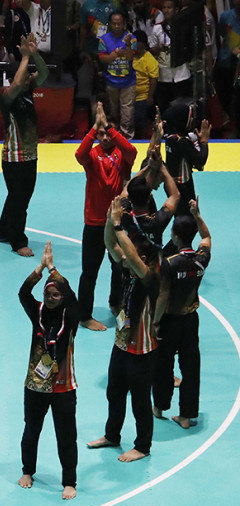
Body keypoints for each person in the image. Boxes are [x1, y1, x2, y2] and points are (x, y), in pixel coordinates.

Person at [87, 199, 162, 462]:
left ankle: (142, 446)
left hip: (141, 349)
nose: (125, 258)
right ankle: (112, 435)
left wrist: (120, 225)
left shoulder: (150, 277)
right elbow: (111, 244)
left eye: (132, 256)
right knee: (114, 392)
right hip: (121, 343)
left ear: (141, 258)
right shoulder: (127, 271)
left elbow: (128, 253)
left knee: (140, 400)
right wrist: (110, 219)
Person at [17, 242, 79, 500]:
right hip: (36, 384)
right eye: (47, 294)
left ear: (62, 297)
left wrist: (53, 268)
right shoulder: (37, 312)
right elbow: (23, 293)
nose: (50, 298)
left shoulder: (71, 315)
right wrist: (39, 269)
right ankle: (28, 471)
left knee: (66, 435)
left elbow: (74, 297)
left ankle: (69, 481)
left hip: (63, 385)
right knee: (31, 429)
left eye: (55, 295)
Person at [75, 102, 137, 331]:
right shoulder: (91, 156)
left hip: (116, 222)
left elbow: (133, 151)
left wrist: (109, 127)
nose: (104, 138)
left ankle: (115, 303)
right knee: (89, 272)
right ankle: (84, 315)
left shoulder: (122, 155)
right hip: (93, 223)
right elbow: (78, 154)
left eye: (107, 133)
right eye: (100, 134)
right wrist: (94, 128)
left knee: (120, 266)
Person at [152, 199, 210, 430]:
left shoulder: (169, 263)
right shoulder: (201, 259)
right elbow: (206, 238)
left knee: (163, 364)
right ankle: (186, 416)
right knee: (191, 365)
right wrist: (197, 215)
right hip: (190, 319)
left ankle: (159, 406)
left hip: (170, 320)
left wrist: (155, 322)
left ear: (174, 236)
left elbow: (163, 296)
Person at [0, 34, 49, 257]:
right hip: (15, 158)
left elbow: (45, 74)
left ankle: (4, 230)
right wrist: (25, 57)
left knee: (16, 196)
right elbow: (17, 82)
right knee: (20, 200)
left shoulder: (28, 92)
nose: (30, 79)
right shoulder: (6, 97)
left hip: (29, 156)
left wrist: (34, 54)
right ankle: (18, 241)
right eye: (27, 75)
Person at [162, 102, 210, 215]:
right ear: (182, 119)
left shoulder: (170, 137)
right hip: (182, 186)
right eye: (190, 117)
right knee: (189, 217)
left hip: (172, 184)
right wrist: (204, 140)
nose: (193, 120)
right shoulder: (182, 141)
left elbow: (187, 157)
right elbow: (200, 159)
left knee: (179, 216)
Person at [79, 0, 122, 95]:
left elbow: (122, 25)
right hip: (92, 50)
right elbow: (83, 27)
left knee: (112, 83)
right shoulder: (87, 5)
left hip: (111, 50)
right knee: (94, 84)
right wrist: (82, 49)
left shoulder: (115, 3)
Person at [149, 0, 193, 112]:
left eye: (169, 8)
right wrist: (159, 48)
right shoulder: (157, 28)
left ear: (176, 9)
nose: (166, 10)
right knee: (165, 106)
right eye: (164, 8)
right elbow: (152, 50)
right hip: (164, 74)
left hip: (181, 72)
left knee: (183, 106)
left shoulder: (184, 27)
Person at [99, 12, 138, 139]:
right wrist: (115, 55)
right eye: (114, 24)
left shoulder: (131, 38)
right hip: (111, 82)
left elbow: (131, 56)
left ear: (124, 24)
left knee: (127, 114)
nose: (116, 26)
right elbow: (102, 58)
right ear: (110, 24)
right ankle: (114, 138)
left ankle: (127, 140)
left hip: (128, 82)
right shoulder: (104, 39)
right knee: (114, 113)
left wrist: (127, 45)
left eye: (119, 24)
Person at [214, 0, 240, 126]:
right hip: (226, 62)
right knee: (224, 94)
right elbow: (222, 33)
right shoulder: (225, 16)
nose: (238, 1)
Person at [132, 31, 159, 135]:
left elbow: (153, 78)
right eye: (136, 48)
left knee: (140, 124)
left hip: (142, 98)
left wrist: (150, 96)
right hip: (128, 96)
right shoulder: (129, 55)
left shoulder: (149, 58)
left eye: (140, 48)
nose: (137, 50)